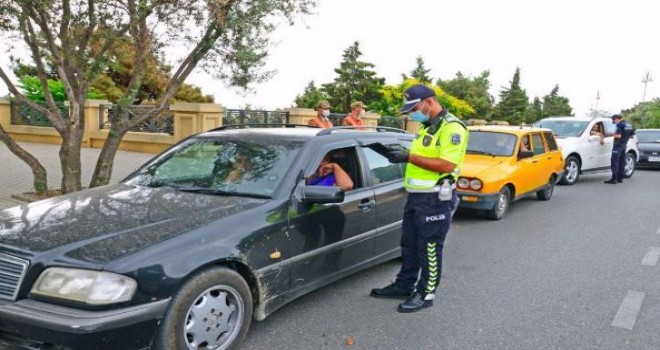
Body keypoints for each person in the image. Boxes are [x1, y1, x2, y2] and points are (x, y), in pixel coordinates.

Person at [370, 84, 468, 313]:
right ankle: (404, 285)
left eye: (414, 107)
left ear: (429, 102)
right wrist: (400, 153)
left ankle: (426, 294)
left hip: (435, 199)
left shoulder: (452, 128)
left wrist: (408, 157)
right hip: (416, 197)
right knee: (410, 245)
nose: (411, 113)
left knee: (430, 248)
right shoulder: (428, 127)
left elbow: (447, 164)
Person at [604, 114, 634, 184]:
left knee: (614, 161)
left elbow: (618, 136)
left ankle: (614, 179)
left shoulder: (619, 125)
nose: (614, 122)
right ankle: (620, 179)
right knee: (621, 161)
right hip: (624, 145)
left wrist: (610, 134)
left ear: (617, 119)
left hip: (618, 145)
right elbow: (632, 134)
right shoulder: (628, 125)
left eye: (613, 120)